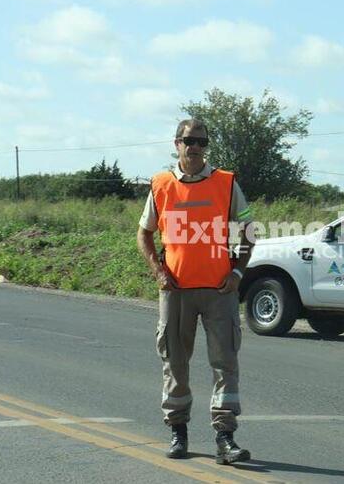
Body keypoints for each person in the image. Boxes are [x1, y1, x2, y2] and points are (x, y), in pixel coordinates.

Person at [136, 118, 255, 465]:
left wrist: (237, 272)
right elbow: (144, 234)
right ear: (177, 143)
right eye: (189, 141)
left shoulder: (226, 182)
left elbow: (248, 230)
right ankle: (178, 434)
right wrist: (159, 272)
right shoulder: (160, 185)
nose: (196, 147)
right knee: (175, 364)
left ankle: (225, 439)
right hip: (176, 292)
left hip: (220, 291)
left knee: (225, 365)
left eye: (202, 141)